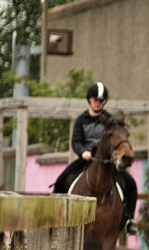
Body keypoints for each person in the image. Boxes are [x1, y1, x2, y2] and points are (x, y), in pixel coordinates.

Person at [51, 82, 138, 235]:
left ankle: (128, 221)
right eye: (96, 99)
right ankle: (55, 217)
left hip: (107, 162)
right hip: (86, 159)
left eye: (101, 100)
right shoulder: (81, 120)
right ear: (89, 100)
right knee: (61, 180)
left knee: (130, 184)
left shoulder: (110, 120)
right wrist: (82, 151)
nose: (98, 103)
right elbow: (75, 141)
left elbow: (117, 137)